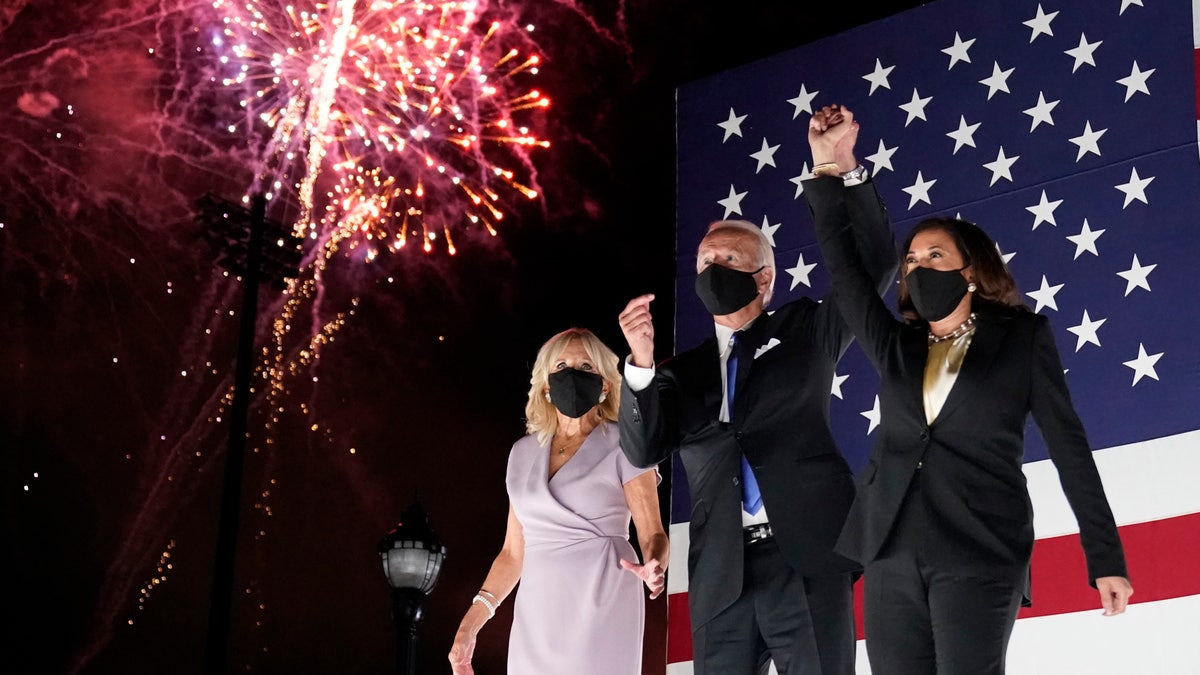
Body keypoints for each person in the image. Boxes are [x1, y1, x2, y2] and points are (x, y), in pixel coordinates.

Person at [803, 104, 1133, 675]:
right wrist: (832, 170)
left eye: (936, 255)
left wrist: (1104, 557)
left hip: (980, 547)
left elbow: (1070, 447)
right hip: (889, 552)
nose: (918, 265)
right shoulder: (896, 345)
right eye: (912, 259)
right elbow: (846, 271)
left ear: (972, 271)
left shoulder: (1022, 337)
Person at [616, 116, 896, 674]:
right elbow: (643, 450)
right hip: (721, 579)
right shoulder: (679, 374)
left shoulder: (805, 330)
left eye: (728, 260)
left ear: (764, 278)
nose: (712, 268)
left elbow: (874, 267)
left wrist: (836, 169)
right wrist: (641, 365)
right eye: (704, 261)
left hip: (808, 560)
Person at [447, 327, 668, 675]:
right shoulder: (522, 452)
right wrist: (470, 624)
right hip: (537, 613)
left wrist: (654, 565)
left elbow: (653, 534)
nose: (572, 374)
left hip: (602, 597)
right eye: (561, 366)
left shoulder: (625, 443)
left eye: (585, 366)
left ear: (605, 384)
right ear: (546, 385)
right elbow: (512, 554)